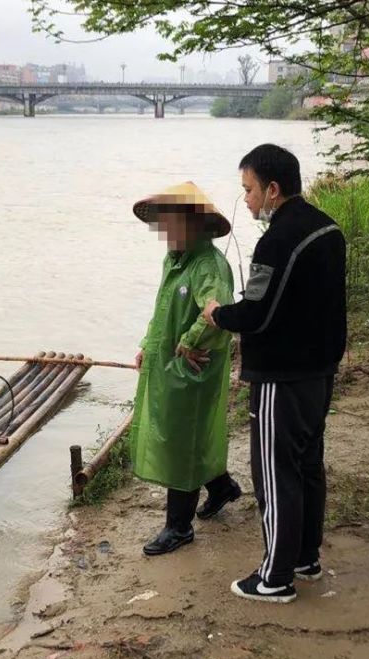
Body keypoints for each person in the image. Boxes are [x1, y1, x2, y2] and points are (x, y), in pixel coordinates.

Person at [202, 144, 347, 603]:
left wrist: (218, 314)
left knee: (274, 472)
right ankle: (305, 558)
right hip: (320, 371)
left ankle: (275, 576)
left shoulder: (279, 238)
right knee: (306, 466)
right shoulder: (329, 227)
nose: (246, 200)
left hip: (282, 376)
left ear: (273, 189)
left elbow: (257, 314)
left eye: (249, 190)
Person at [130, 181, 243, 557]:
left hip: (194, 368)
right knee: (188, 436)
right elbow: (161, 309)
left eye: (174, 223)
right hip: (169, 365)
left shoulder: (208, 265)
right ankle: (222, 487)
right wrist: (148, 345)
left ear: (196, 225)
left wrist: (189, 342)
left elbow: (218, 310)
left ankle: (178, 527)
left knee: (182, 442)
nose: (167, 232)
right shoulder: (173, 261)